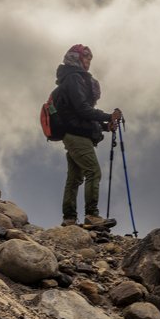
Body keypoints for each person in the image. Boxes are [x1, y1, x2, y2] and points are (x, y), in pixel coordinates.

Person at [54, 44, 123, 230]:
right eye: (86, 58)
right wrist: (108, 116)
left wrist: (105, 126)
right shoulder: (74, 78)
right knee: (93, 172)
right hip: (76, 135)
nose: (88, 62)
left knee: (75, 177)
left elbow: (79, 114)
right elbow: (82, 109)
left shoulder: (69, 79)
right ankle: (92, 216)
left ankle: (69, 219)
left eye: (90, 59)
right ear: (76, 58)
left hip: (73, 133)